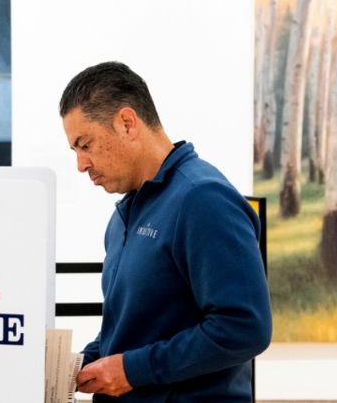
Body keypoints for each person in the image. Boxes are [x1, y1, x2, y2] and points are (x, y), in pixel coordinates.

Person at [60, 61, 271, 401]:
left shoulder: (202, 198)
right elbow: (131, 332)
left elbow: (245, 327)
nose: (81, 165)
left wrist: (133, 370)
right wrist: (77, 365)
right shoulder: (122, 217)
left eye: (85, 145)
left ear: (127, 123)